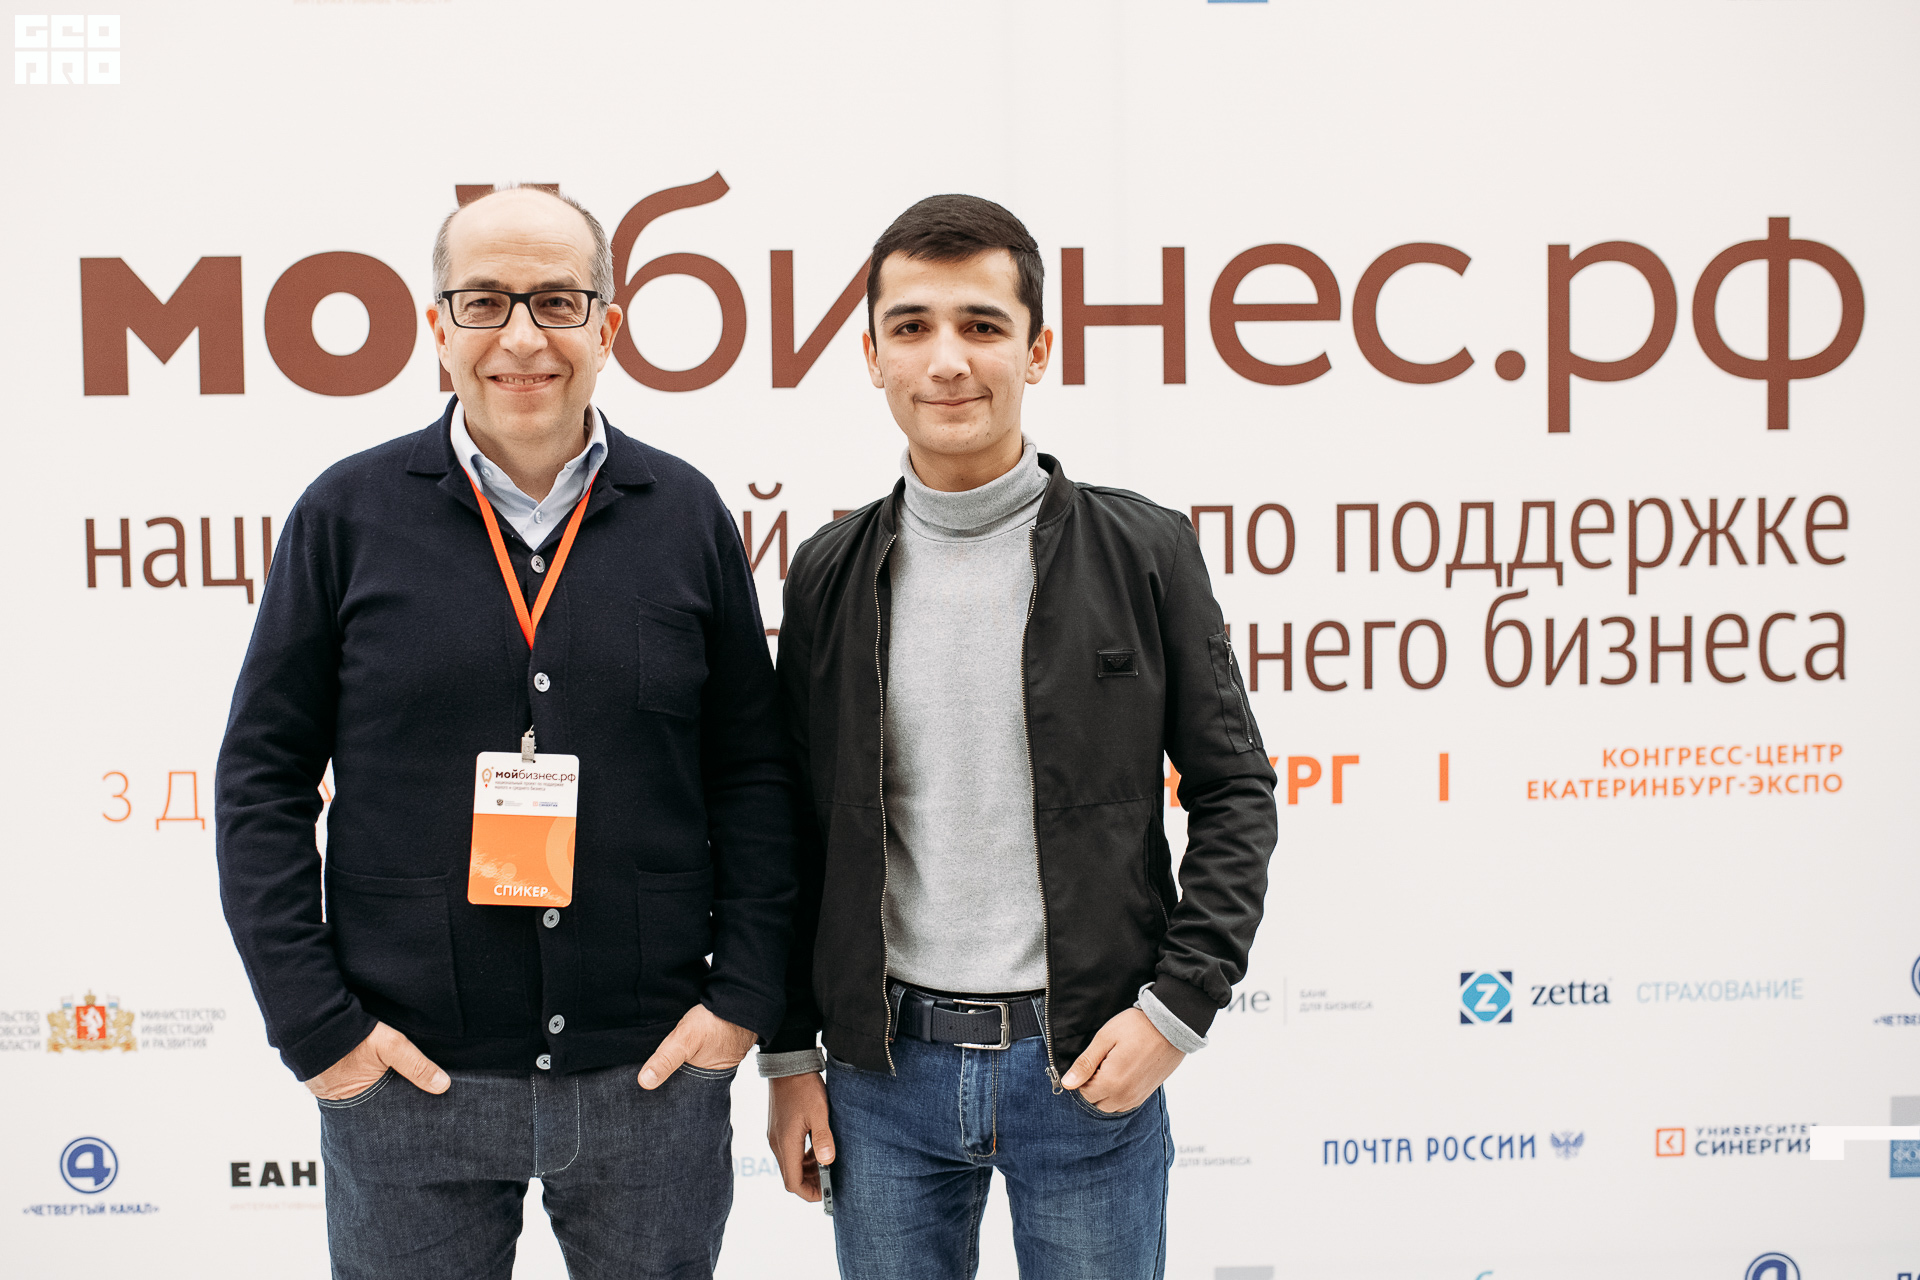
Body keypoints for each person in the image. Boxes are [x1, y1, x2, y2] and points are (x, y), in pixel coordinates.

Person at [215, 184, 795, 1280]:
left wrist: (740, 1004)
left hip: (650, 1080)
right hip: (408, 1083)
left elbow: (754, 776)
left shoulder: (685, 514)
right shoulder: (345, 516)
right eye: (484, 302)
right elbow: (262, 780)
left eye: (557, 301)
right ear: (437, 327)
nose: (522, 337)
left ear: (607, 327)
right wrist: (321, 1032)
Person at [761, 194, 1278, 1279]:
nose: (947, 360)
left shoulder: (1145, 551)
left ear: (1038, 350)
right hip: (880, 1079)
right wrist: (790, 1053)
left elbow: (1235, 791)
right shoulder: (827, 572)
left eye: (982, 325)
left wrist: (1176, 1008)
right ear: (871, 356)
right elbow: (794, 830)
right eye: (911, 327)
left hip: (1084, 1064)